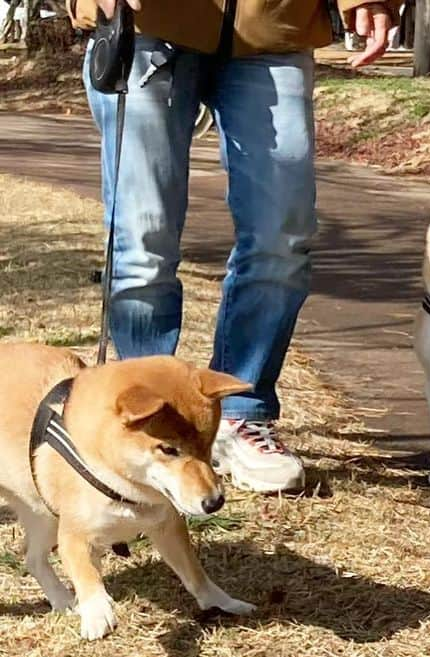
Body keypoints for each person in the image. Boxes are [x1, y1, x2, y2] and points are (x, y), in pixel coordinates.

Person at [69, 0, 395, 492]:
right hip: (148, 23)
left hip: (274, 26)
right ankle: (151, 424)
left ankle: (242, 412)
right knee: (143, 241)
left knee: (281, 235)